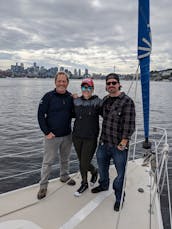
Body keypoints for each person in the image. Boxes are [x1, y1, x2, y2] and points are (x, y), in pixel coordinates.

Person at [91, 73, 135, 211]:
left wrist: (123, 142)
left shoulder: (127, 101)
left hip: (118, 146)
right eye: (108, 83)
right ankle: (104, 185)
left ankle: (119, 197)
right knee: (102, 169)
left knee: (120, 174)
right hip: (104, 143)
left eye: (113, 83)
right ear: (106, 86)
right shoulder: (105, 100)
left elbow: (130, 124)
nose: (111, 85)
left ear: (119, 84)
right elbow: (97, 111)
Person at [37, 71, 76, 200]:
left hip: (67, 135)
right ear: (55, 82)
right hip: (51, 137)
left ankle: (64, 176)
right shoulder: (48, 96)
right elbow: (40, 115)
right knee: (47, 162)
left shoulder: (70, 97)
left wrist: (78, 100)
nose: (61, 83)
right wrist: (46, 132)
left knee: (65, 159)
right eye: (59, 81)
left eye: (64, 81)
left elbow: (75, 114)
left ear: (67, 83)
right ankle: (43, 186)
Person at [72, 78, 102, 197]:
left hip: (91, 138)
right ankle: (94, 172)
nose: (86, 90)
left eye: (89, 87)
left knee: (84, 163)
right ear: (81, 89)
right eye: (84, 87)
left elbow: (109, 113)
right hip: (77, 136)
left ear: (93, 89)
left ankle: (85, 182)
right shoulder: (76, 101)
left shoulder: (98, 102)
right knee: (82, 162)